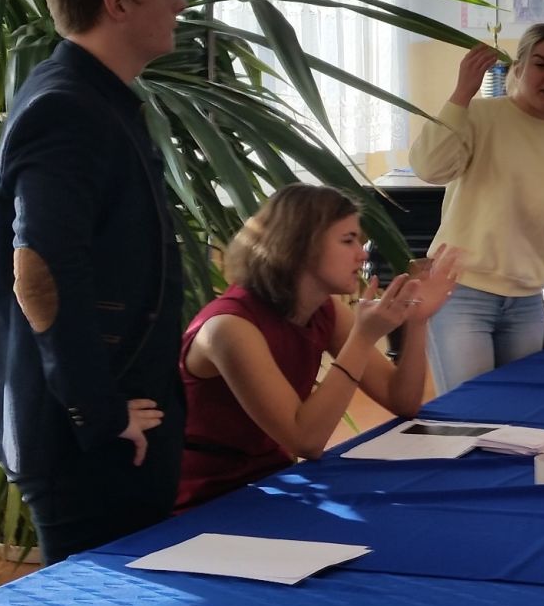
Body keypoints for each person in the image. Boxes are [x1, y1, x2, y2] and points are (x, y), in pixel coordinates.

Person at [0, 0, 189, 565]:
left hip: (115, 427)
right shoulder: (66, 107)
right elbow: (40, 270)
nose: (179, 4)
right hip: (88, 444)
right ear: (117, 3)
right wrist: (100, 413)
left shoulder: (95, 96)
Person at [175, 186, 463, 509]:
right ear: (300, 246)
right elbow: (306, 441)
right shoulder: (229, 326)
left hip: (272, 480)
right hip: (205, 499)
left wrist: (418, 321)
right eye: (348, 240)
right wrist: (362, 338)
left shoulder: (324, 310)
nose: (362, 254)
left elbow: (403, 401)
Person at [410, 25, 544, 393]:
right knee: (467, 412)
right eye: (541, 64)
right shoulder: (478, 115)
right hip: (462, 293)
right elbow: (428, 168)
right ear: (518, 68)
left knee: (516, 414)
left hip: (527, 300)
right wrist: (462, 93)